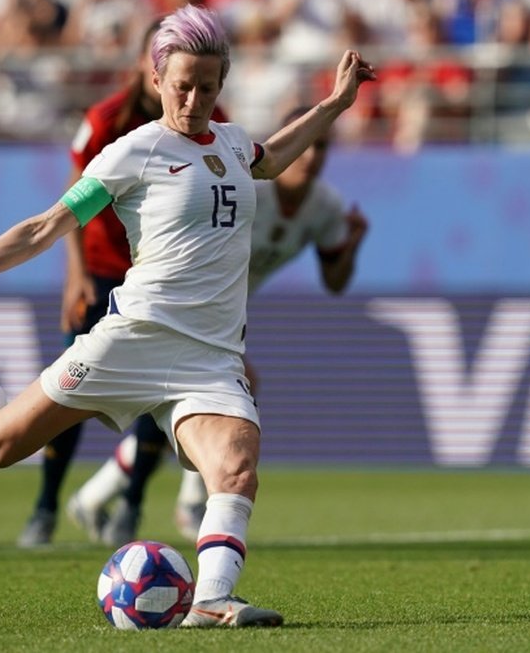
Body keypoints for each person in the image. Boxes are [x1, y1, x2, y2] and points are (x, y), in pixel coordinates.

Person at [0, 4, 374, 627]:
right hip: (134, 338)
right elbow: (45, 227)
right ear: (157, 80)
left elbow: (272, 158)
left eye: (208, 85)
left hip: (211, 355)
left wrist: (336, 103)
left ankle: (210, 601)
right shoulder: (133, 152)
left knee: (236, 466)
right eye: (182, 85)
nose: (195, 98)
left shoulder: (231, 142)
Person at [70, 103, 370, 547]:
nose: (311, 155)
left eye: (321, 146)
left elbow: (335, 282)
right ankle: (187, 499)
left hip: (221, 318)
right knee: (222, 395)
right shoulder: (247, 184)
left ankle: (98, 497)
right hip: (178, 307)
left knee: (198, 402)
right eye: (306, 144)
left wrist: (351, 247)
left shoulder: (325, 206)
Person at [16, 18, 229, 549]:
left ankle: (130, 506)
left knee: (162, 397)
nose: (193, 95)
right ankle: (44, 506)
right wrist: (75, 275)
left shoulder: (212, 120)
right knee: (67, 392)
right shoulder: (106, 121)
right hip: (102, 271)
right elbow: (70, 200)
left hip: (160, 282)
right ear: (149, 68)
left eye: (204, 84)